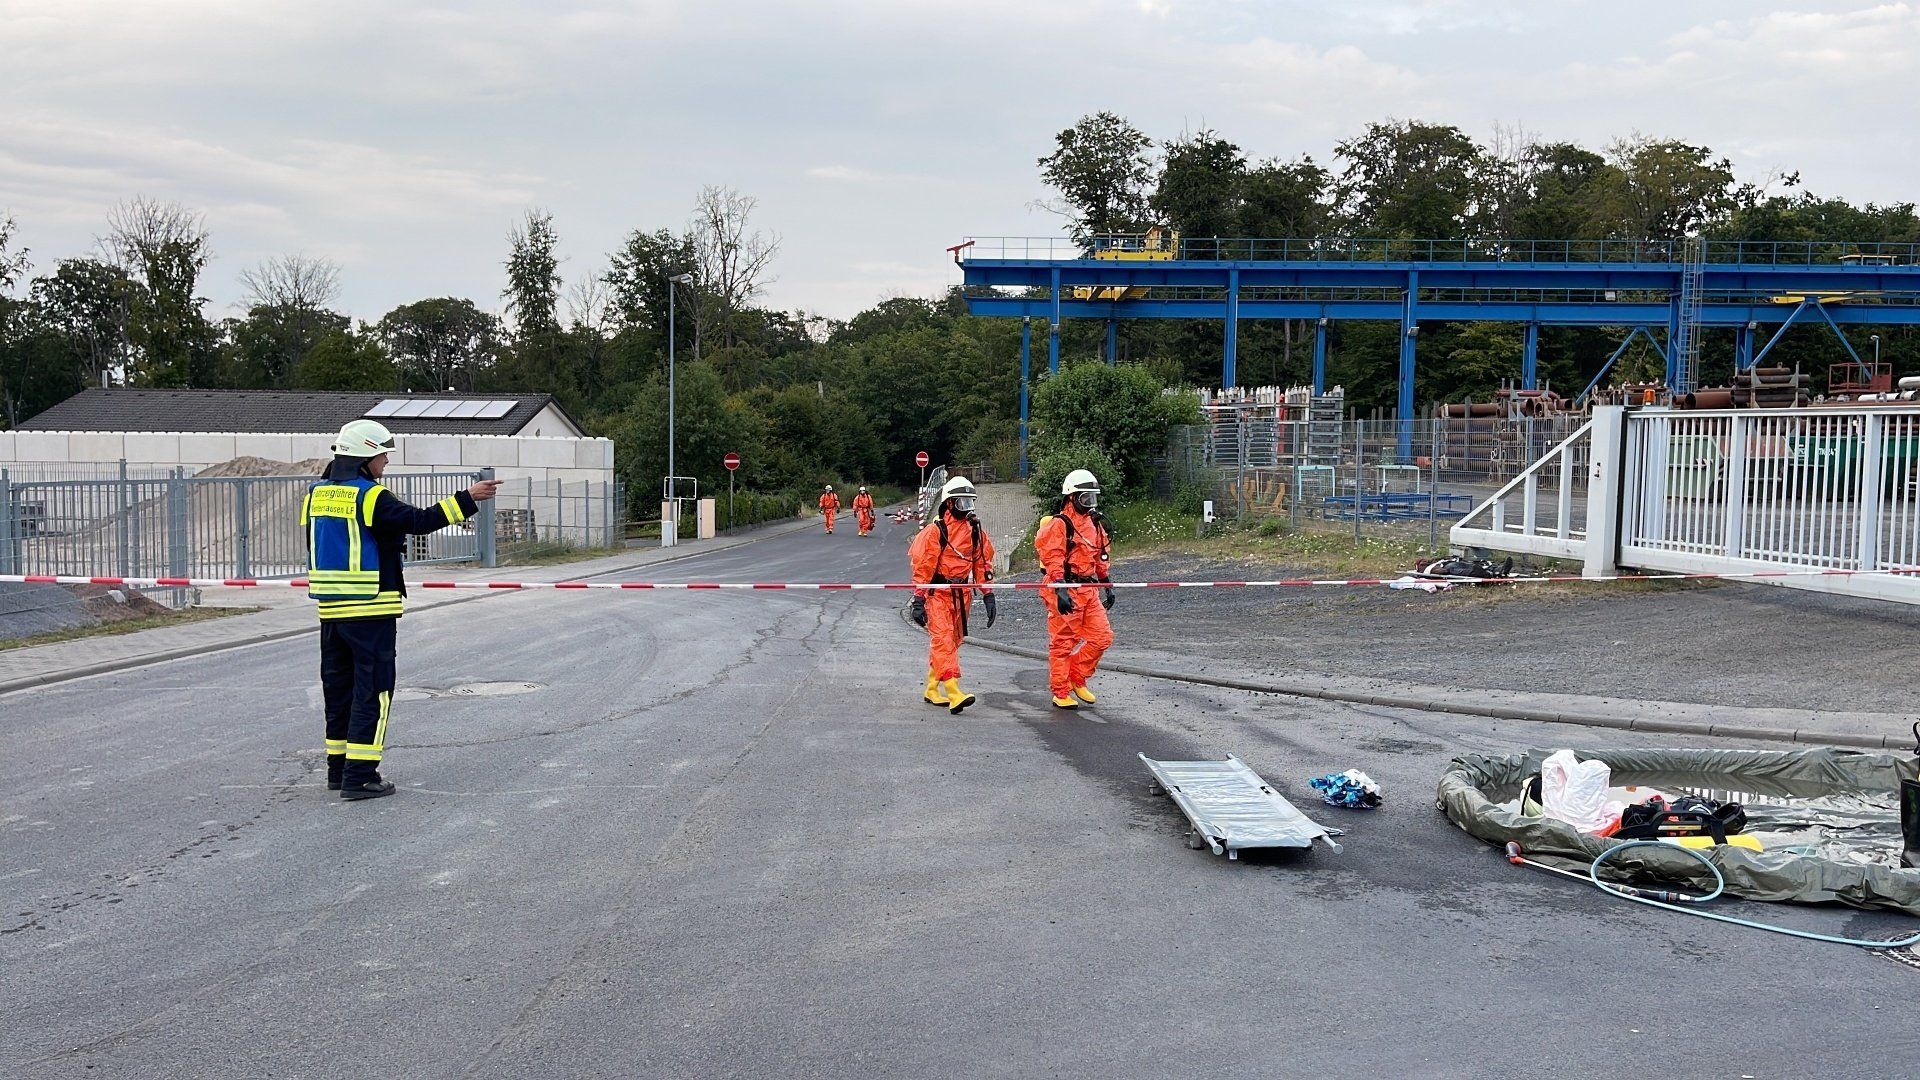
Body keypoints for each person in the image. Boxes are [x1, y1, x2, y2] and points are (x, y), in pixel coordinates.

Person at [303, 419, 499, 800]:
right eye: (382, 454)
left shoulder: (316, 494)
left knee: (339, 691)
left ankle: (338, 770)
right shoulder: (370, 496)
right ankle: (360, 777)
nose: (387, 461)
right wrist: (468, 498)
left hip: (330, 612)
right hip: (370, 609)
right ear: (364, 457)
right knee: (373, 691)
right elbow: (419, 521)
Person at [908, 476, 996, 714]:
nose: (967, 508)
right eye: (962, 503)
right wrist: (918, 599)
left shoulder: (975, 532)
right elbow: (923, 567)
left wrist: (988, 594)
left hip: (962, 594)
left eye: (970, 502)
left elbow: (982, 563)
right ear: (949, 503)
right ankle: (954, 692)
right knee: (943, 641)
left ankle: (931, 689)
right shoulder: (936, 532)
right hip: (938, 594)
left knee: (952, 642)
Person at [1033, 468, 1114, 710]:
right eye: (1085, 497)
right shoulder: (1060, 524)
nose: (1090, 503)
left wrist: (1106, 583)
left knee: (1102, 638)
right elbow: (1053, 556)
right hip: (1066, 587)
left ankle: (1077, 677)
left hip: (1088, 589)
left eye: (1093, 497)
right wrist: (1060, 588)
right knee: (1063, 643)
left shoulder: (1094, 524)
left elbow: (1099, 555)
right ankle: (1060, 691)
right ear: (1071, 497)